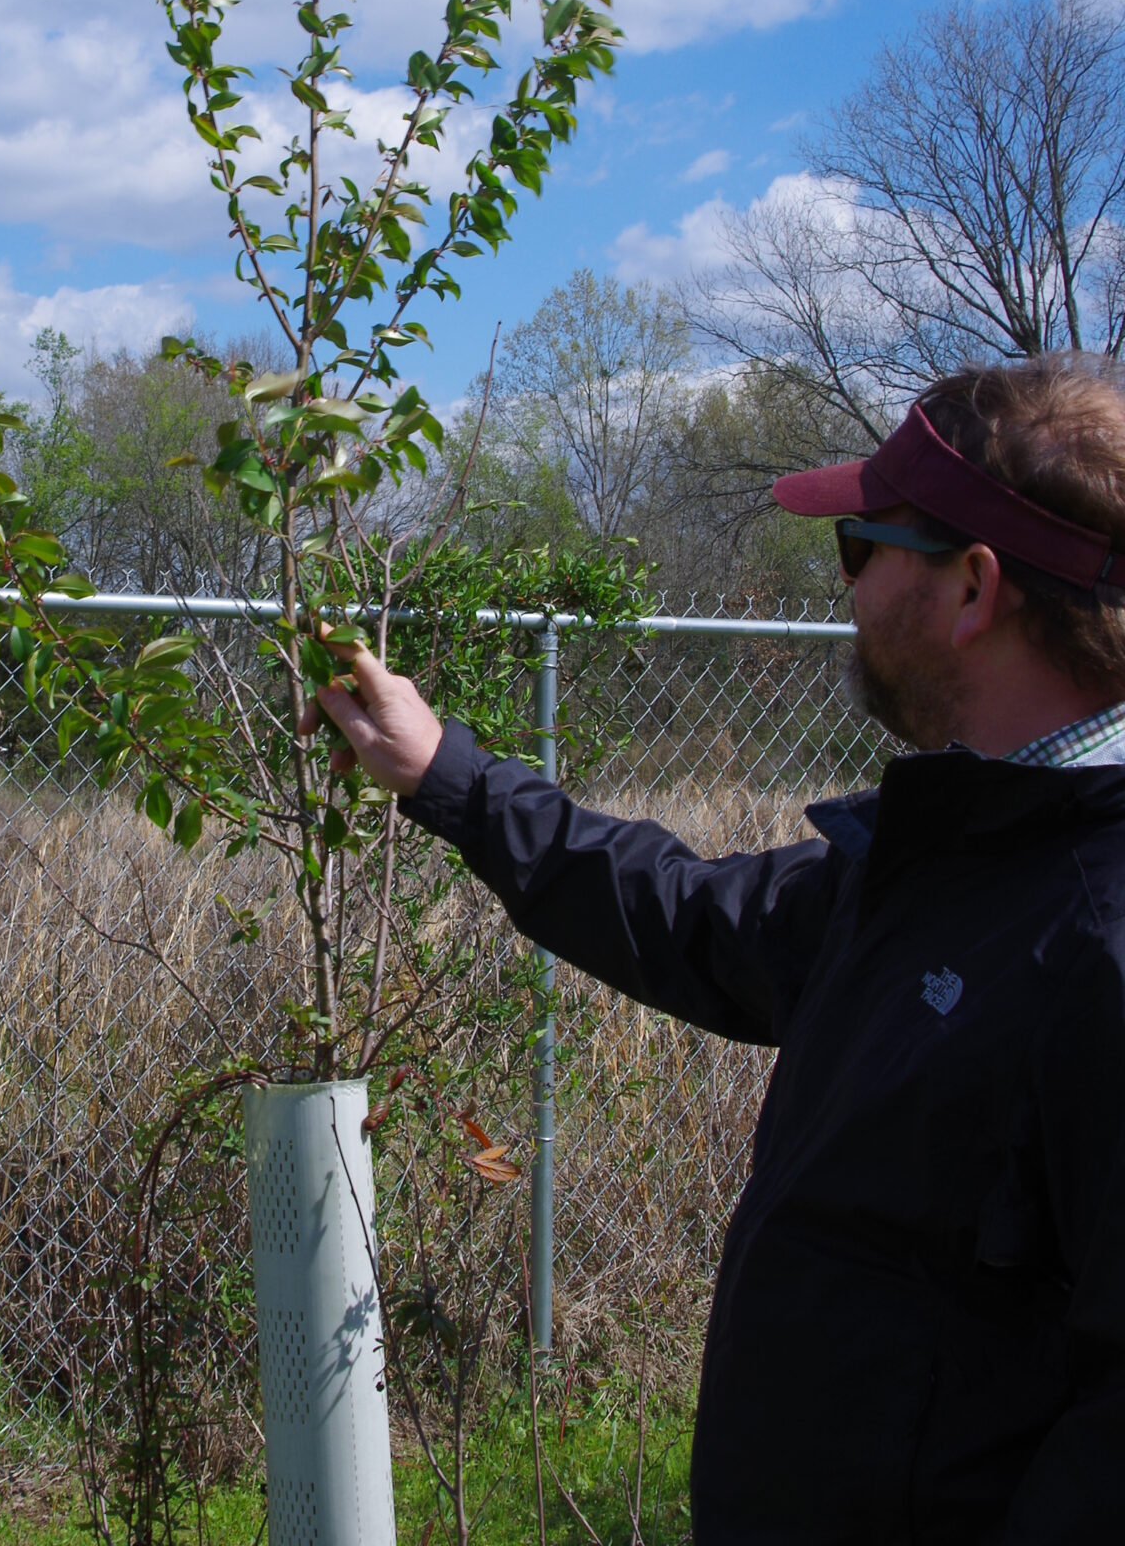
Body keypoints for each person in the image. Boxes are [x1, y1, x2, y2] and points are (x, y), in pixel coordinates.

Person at [310, 354, 1125, 1545]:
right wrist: (448, 774)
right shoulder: (953, 854)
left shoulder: (1099, 946)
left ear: (972, 587)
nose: (844, 580)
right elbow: (691, 917)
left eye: (863, 543)